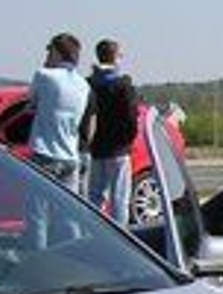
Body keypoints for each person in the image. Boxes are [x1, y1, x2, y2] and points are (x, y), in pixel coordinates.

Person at [84, 38, 139, 220]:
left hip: (96, 148)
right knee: (119, 199)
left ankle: (96, 234)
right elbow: (131, 116)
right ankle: (120, 237)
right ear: (115, 57)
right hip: (118, 149)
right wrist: (129, 140)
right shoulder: (122, 85)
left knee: (95, 196)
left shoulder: (89, 83)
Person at [27, 33, 90, 189]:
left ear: (56, 52)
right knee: (67, 211)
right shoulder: (83, 84)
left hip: (45, 154)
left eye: (49, 51)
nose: (47, 55)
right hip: (71, 157)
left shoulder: (44, 75)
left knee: (37, 211)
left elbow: (31, 104)